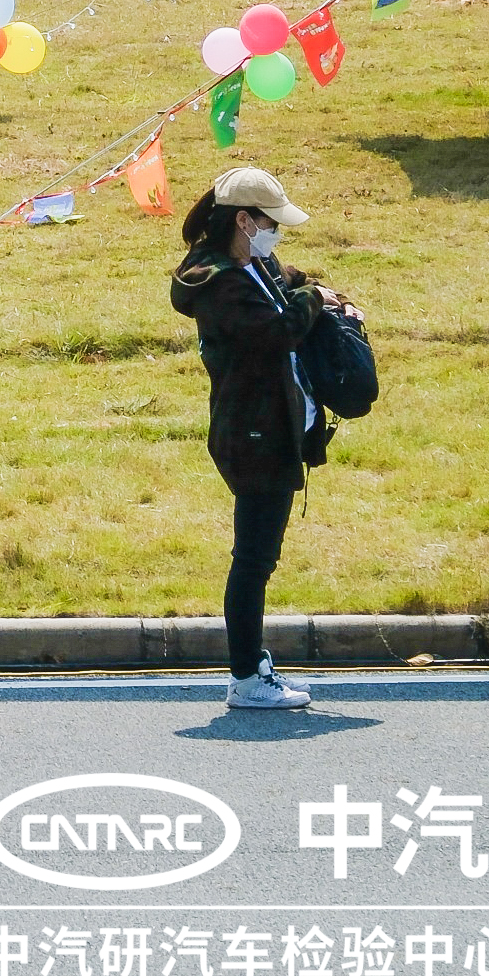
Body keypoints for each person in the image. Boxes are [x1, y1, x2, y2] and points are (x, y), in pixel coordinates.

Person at [170, 165, 355, 713]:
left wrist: (318, 291)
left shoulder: (257, 265)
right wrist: (316, 299)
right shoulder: (218, 282)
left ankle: (250, 667)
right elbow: (276, 333)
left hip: (275, 428)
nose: (278, 235)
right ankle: (247, 677)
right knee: (252, 559)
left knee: (258, 556)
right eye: (271, 223)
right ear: (244, 221)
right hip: (251, 435)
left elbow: (287, 284)